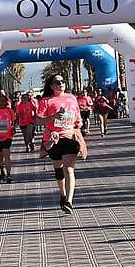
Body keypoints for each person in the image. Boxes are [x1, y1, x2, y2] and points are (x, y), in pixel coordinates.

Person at [38, 73, 88, 215]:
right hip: (53, 139)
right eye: (57, 82)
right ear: (51, 85)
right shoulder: (46, 101)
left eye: (63, 81)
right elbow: (38, 121)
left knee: (69, 169)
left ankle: (69, 202)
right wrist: (53, 117)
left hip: (70, 137)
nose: (61, 84)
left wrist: (79, 123)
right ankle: (62, 194)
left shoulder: (72, 98)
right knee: (58, 169)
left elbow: (77, 117)